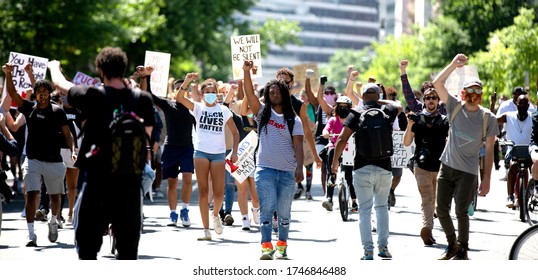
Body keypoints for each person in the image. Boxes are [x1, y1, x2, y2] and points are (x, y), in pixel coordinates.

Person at [48, 47, 155, 259]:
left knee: (87, 250)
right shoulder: (142, 100)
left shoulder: (93, 95)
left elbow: (61, 85)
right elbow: (147, 139)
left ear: (100, 70)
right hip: (129, 184)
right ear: (124, 69)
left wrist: (53, 66)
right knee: (127, 253)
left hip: (96, 182)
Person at [432, 53, 498, 260]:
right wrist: (453, 64)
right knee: (441, 210)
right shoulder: (455, 107)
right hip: (447, 166)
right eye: (470, 90)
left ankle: (463, 249)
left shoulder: (489, 118)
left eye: (478, 90)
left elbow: (489, 151)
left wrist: (487, 179)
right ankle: (452, 244)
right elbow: (437, 83)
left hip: (467, 172)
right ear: (463, 93)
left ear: (482, 94)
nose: (474, 94)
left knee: (461, 212)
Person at [4, 63, 75, 247]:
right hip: (33, 160)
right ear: (35, 95)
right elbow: (12, 94)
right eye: (39, 91)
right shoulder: (29, 108)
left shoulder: (58, 112)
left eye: (45, 91)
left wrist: (73, 151)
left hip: (54, 161)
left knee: (55, 197)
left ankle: (53, 219)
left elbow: (67, 135)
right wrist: (8, 74)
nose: (42, 94)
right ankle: (31, 234)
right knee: (32, 194)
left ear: (49, 94)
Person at [331, 83, 402, 260]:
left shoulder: (356, 113)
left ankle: (368, 251)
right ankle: (383, 248)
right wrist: (378, 99)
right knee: (381, 208)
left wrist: (334, 163)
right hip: (385, 168)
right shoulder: (388, 111)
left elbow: (342, 139)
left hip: (362, 168)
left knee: (364, 210)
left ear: (362, 97)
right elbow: (399, 105)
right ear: (378, 97)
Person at [243, 60, 304, 260]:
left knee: (284, 214)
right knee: (267, 209)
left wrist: (299, 168)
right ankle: (266, 246)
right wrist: (246, 73)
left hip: (287, 172)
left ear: (284, 94)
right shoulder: (262, 113)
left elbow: (298, 146)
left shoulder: (294, 120)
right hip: (265, 170)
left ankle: (282, 245)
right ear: (267, 96)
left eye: (278, 92)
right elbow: (250, 96)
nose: (275, 94)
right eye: (271, 92)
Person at [176, 73, 239, 241]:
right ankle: (205, 230)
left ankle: (215, 214)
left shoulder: (224, 110)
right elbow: (180, 98)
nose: (210, 94)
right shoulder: (197, 107)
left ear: (217, 93)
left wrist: (234, 151)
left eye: (213, 91)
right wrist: (187, 81)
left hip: (219, 153)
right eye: (207, 92)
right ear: (203, 95)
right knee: (203, 192)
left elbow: (235, 133)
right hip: (201, 152)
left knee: (219, 194)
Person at [137, 66, 194, 228]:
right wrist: (146, 77)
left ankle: (185, 209)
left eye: (182, 88)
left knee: (188, 178)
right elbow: (148, 95)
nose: (179, 91)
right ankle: (173, 213)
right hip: (171, 148)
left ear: (187, 91)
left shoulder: (192, 107)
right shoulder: (169, 105)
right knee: (172, 182)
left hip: (187, 148)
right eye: (176, 89)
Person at [402, 87, 449, 246]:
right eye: (428, 97)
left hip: (441, 167)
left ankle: (429, 229)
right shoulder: (418, 119)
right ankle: (427, 228)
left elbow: (451, 140)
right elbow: (407, 142)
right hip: (421, 166)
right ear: (424, 101)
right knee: (427, 199)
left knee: (436, 201)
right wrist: (409, 125)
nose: (430, 100)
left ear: (438, 101)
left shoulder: (444, 120)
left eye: (434, 98)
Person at [497, 94, 532, 208]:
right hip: (513, 151)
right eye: (520, 103)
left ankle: (533, 192)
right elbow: (492, 120)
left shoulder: (534, 117)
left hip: (530, 151)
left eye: (524, 103)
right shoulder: (509, 116)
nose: (522, 105)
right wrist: (492, 104)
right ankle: (510, 196)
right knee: (513, 166)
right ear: (516, 104)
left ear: (528, 105)